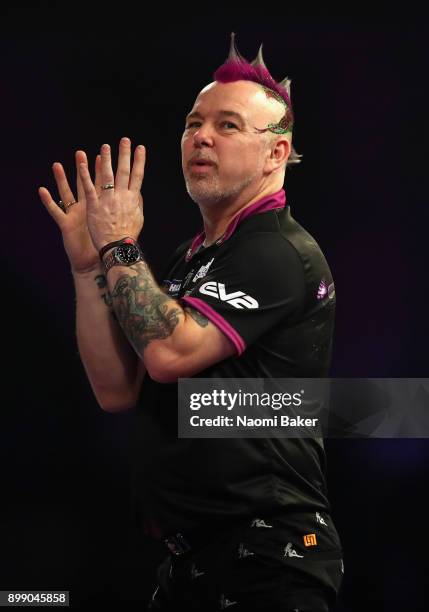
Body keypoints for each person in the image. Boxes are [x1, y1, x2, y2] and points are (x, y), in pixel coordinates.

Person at [39, 34, 343, 612]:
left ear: (276, 154)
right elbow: (116, 389)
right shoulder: (190, 258)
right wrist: (87, 267)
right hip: (192, 564)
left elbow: (168, 354)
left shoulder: (277, 250)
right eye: (192, 122)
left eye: (228, 125)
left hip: (272, 560)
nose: (201, 135)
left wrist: (122, 246)